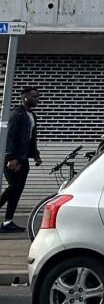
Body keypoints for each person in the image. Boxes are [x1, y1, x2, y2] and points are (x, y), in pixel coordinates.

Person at [1, 87, 41, 233]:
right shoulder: (16, 114)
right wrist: (10, 157)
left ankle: (7, 222)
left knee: (17, 190)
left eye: (37, 97)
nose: (37, 99)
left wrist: (36, 155)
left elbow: (31, 138)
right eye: (34, 96)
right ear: (24, 97)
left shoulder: (31, 116)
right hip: (13, 159)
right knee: (14, 187)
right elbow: (9, 136)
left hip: (23, 159)